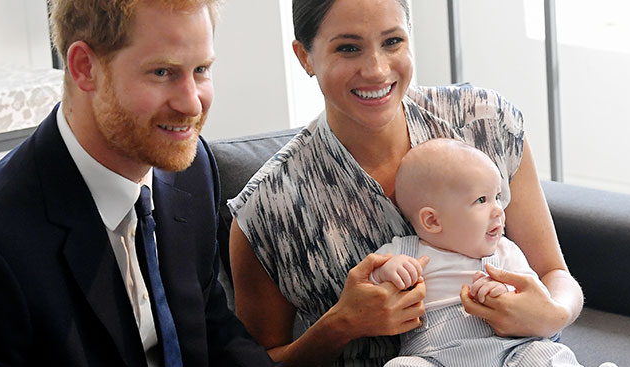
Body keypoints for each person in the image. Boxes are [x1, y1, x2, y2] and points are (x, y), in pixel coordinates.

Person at [228, 0, 583, 366]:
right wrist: (341, 324)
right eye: (348, 48)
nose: (377, 70)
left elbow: (554, 273)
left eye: (393, 41)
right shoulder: (267, 209)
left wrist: (553, 314)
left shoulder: (485, 123)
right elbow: (258, 360)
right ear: (305, 57)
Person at [0, 0, 275, 366]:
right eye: (162, 72)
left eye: (200, 69)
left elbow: (214, 331)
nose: (192, 104)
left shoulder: (192, 169)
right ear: (84, 67)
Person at [370, 138, 583, 367]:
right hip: (435, 357)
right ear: (432, 220)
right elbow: (367, 284)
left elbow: (537, 297)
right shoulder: (404, 252)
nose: (498, 210)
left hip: (511, 352)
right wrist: (387, 272)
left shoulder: (504, 251)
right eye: (481, 200)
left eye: (497, 197)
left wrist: (505, 291)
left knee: (546, 356)